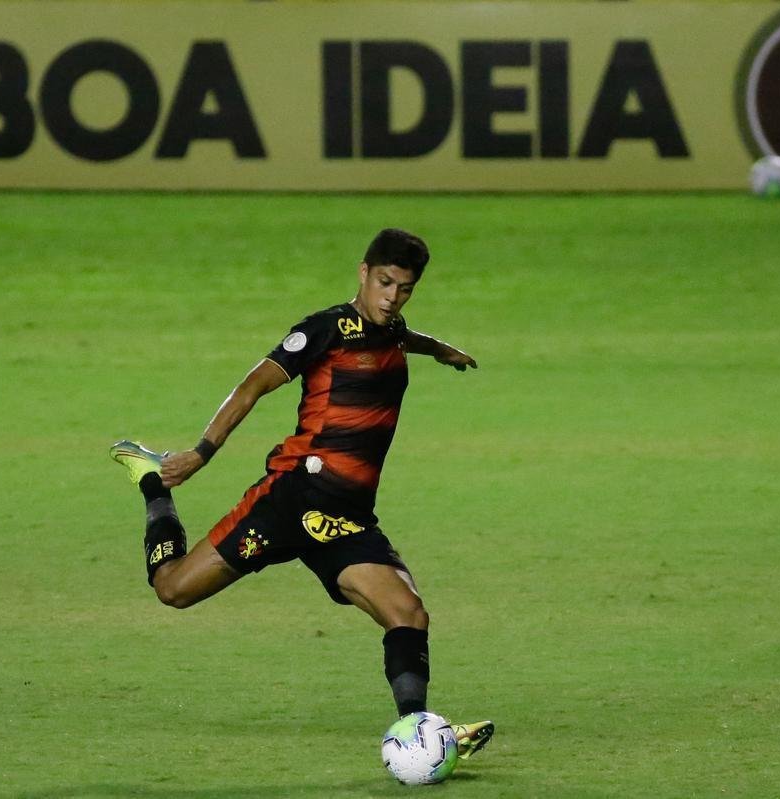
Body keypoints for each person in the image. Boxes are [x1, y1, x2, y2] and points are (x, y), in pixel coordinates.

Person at [109, 228, 494, 759]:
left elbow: (402, 336)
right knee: (173, 590)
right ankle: (153, 484)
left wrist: (439, 349)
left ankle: (420, 733)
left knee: (408, 613)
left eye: (404, 288)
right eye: (384, 283)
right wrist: (200, 453)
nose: (391, 297)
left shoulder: (393, 330)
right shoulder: (324, 329)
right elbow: (252, 385)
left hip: (346, 518)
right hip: (290, 502)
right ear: (363, 272)